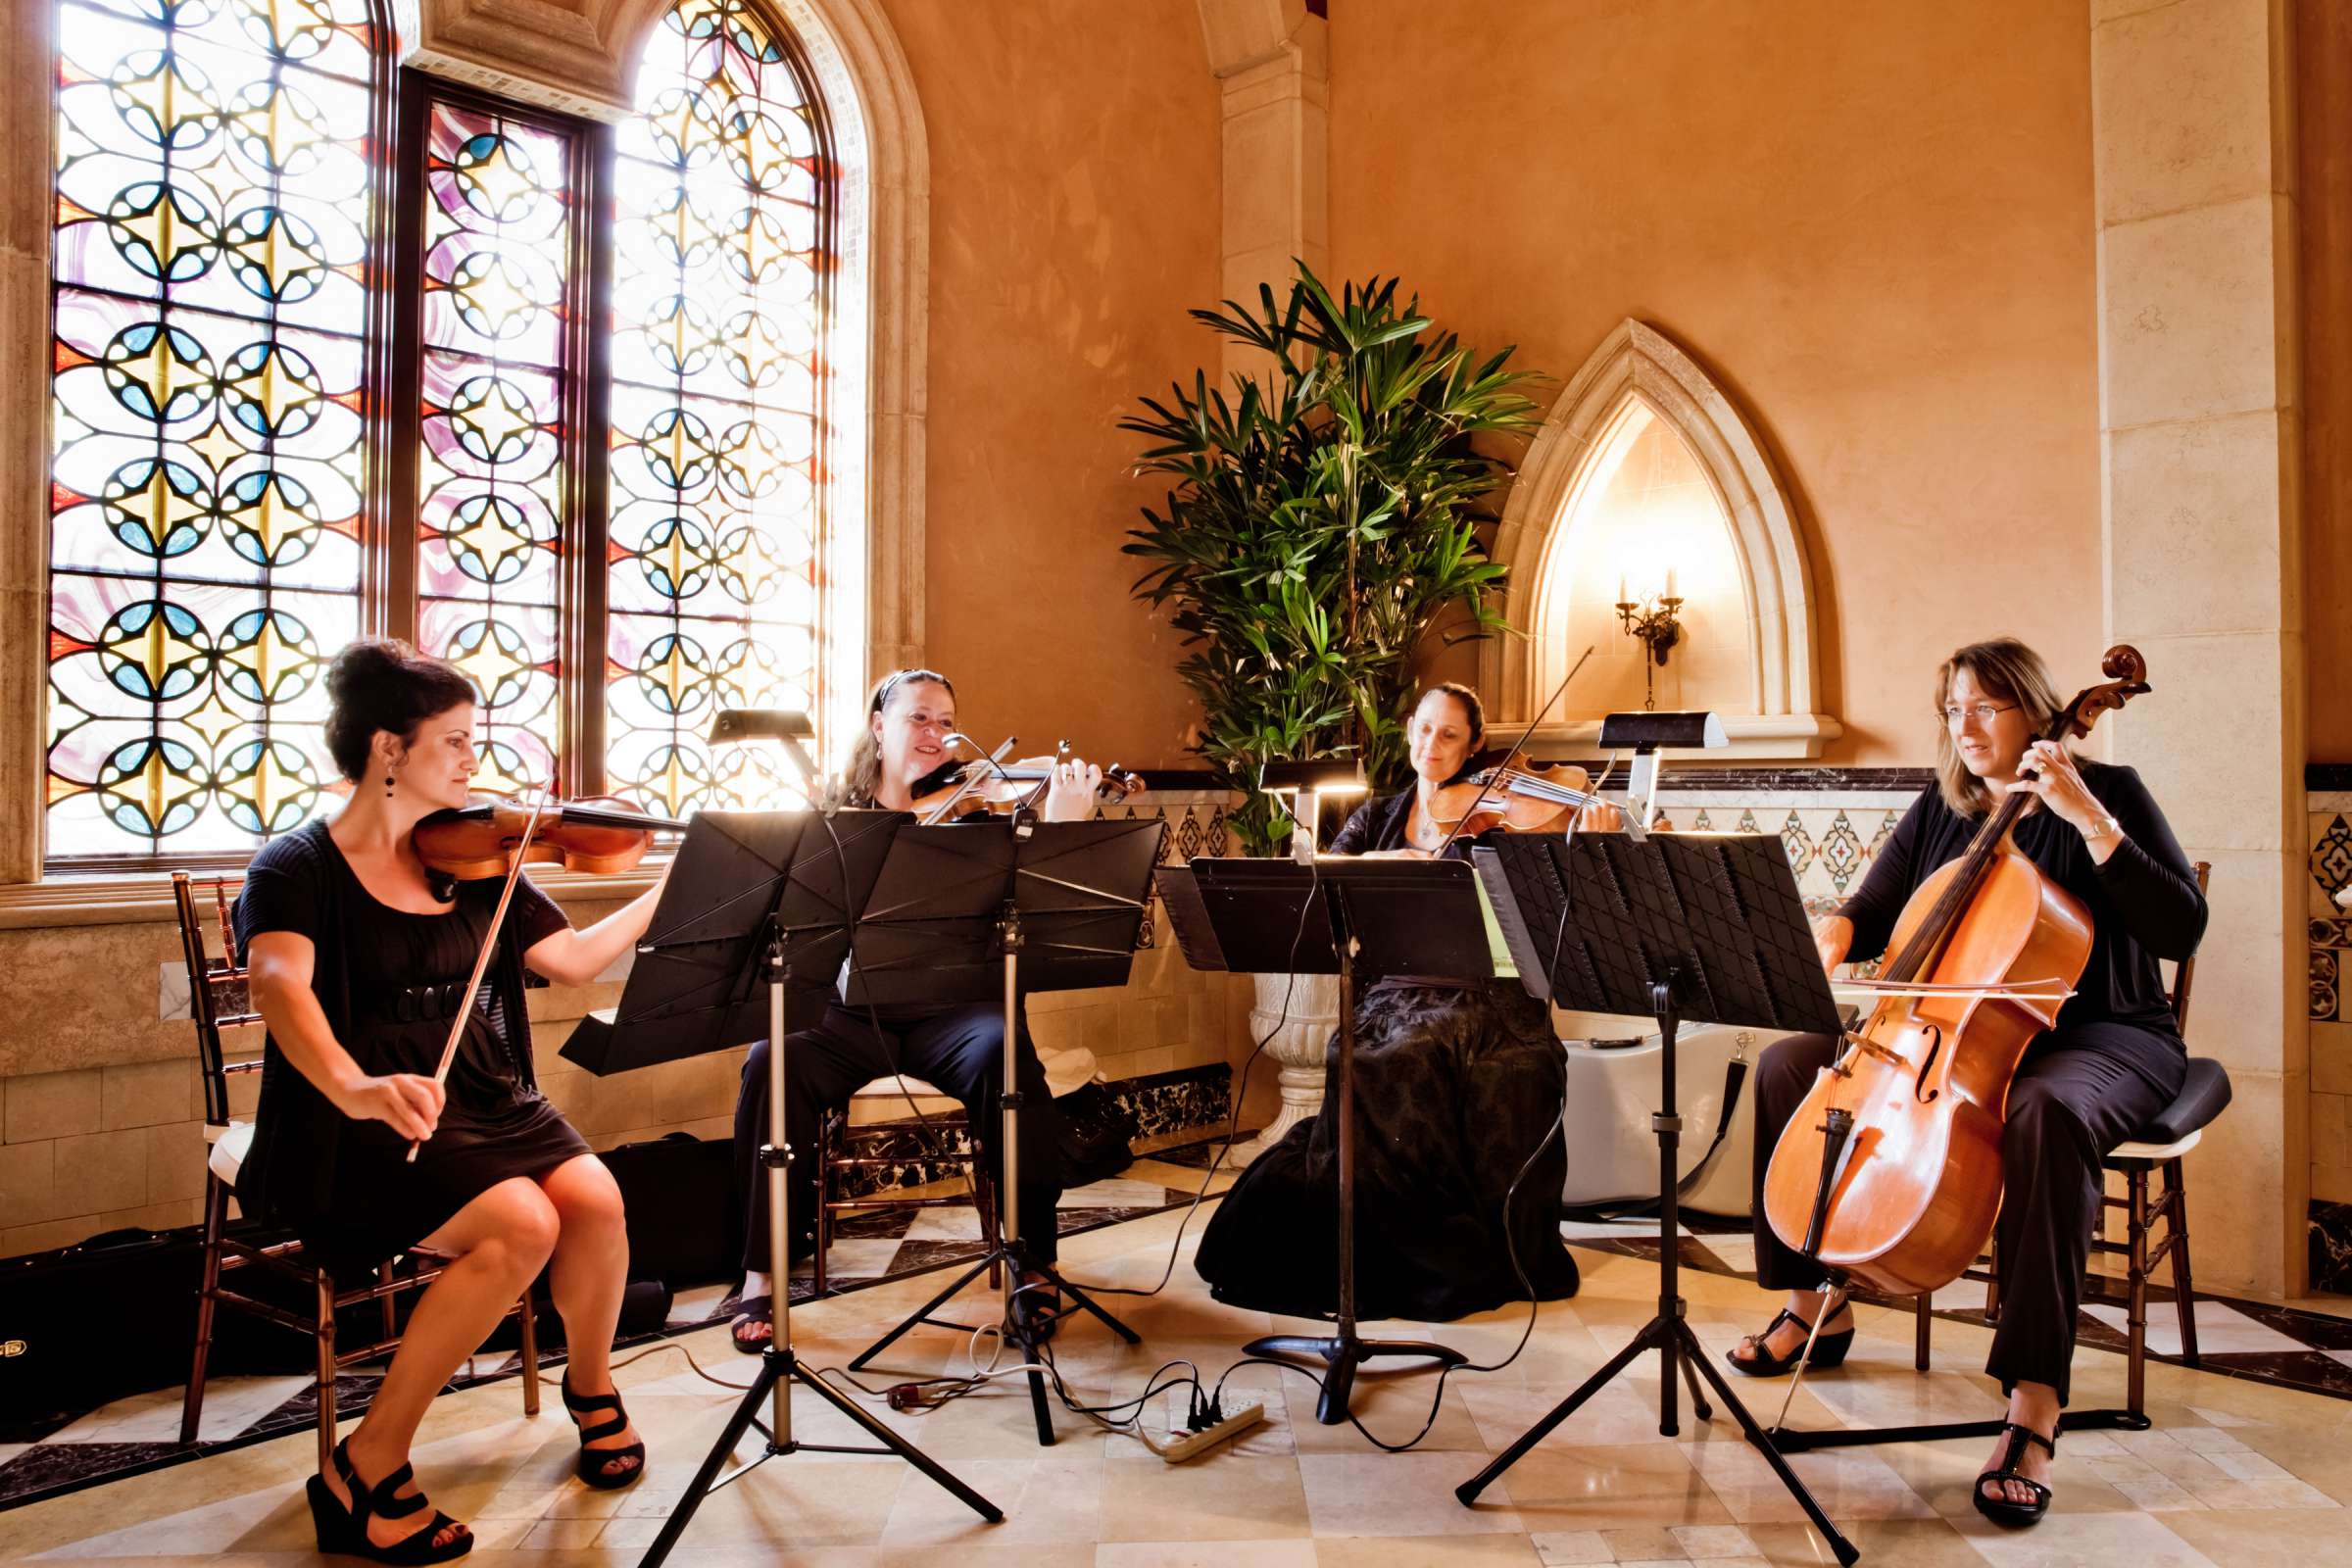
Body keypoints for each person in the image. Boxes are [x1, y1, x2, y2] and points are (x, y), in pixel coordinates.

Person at [1726, 637, 2206, 1530]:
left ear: (2034, 708)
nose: (1967, 725)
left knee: (2046, 1110)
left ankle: (2033, 1406)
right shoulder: (1945, 807)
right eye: (1954, 708)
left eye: (1986, 706)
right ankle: (1813, 1309)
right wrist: (1829, 936)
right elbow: (1868, 909)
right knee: (1792, 1060)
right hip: (1964, 1033)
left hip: (2107, 1037)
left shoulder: (2111, 792)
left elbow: (2183, 927)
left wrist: (2090, 819)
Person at [239, 639, 669, 1563]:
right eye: (457, 740)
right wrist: (356, 1084)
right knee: (521, 1225)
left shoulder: (473, 861)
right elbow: (276, 983)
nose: (478, 761)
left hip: (485, 1094)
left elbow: (576, 962)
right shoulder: (297, 867)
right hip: (353, 1117)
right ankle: (367, 1459)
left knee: (595, 1202)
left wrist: (679, 886)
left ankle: (590, 1389)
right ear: (389, 749)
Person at [1192, 682, 1618, 1320]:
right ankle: (1359, 1240)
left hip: (1487, 992)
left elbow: (1557, 904)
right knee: (1364, 1052)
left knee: (1413, 1055)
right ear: (1407, 732)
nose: (1432, 746)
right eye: (1423, 730)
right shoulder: (1379, 816)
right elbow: (1323, 882)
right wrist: (1383, 861)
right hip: (1394, 989)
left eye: (1450, 735)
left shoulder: (1508, 810)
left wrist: (1588, 842)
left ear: (1476, 743)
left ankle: (1422, 1250)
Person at [727, 668, 1105, 1351]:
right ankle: (762, 1270)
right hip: (850, 1015)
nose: (937, 735)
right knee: (770, 1063)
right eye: (919, 719)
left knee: (1007, 1056)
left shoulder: (983, 813)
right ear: (878, 725)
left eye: (946, 721)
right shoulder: (832, 817)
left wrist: (1060, 827)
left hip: (952, 1011)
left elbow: (1044, 908)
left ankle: (1035, 1263)